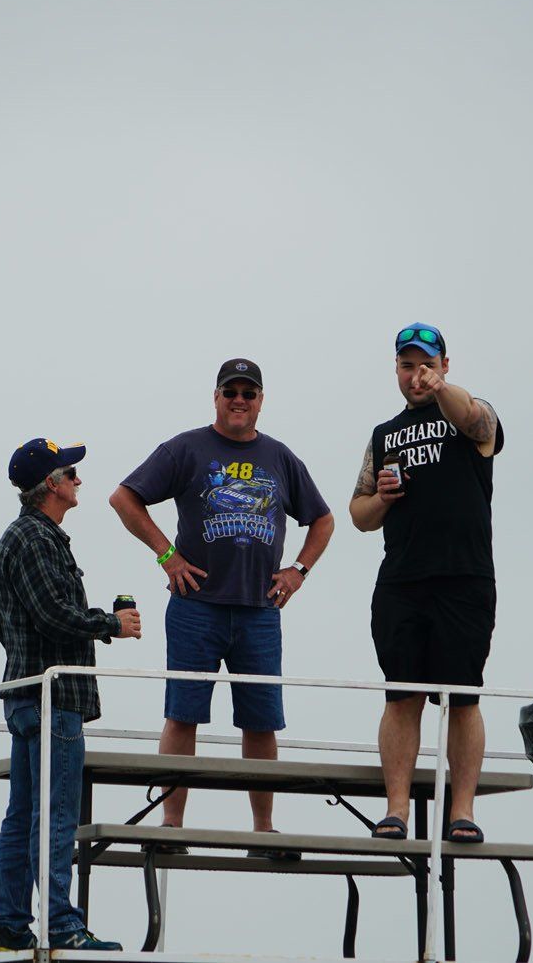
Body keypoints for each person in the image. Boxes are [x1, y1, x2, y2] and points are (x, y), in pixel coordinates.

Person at [109, 359, 334, 854]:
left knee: (261, 722)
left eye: (248, 392)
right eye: (230, 391)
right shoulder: (186, 448)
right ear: (215, 397)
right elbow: (124, 497)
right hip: (196, 605)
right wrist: (168, 555)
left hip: (259, 610)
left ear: (260, 400)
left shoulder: (280, 457)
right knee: (182, 714)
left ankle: (263, 830)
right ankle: (172, 826)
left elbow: (322, 520)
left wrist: (299, 570)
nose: (239, 400)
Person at [349, 323, 503, 844]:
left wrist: (442, 391)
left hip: (464, 577)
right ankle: (396, 811)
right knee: (401, 695)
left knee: (463, 696)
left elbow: (475, 420)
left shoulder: (470, 414)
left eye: (426, 364)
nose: (417, 374)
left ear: (444, 365)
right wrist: (383, 499)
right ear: (395, 369)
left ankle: (462, 811)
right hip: (402, 580)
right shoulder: (384, 434)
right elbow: (358, 513)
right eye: (407, 365)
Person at [0, 438, 142, 952]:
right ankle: (61, 926)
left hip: (31, 696)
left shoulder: (29, 537)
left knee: (22, 817)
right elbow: (52, 615)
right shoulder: (34, 539)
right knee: (54, 817)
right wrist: (110, 625)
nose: (78, 480)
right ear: (51, 484)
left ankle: (9, 926)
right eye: (71, 473)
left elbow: (14, 623)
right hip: (52, 702)